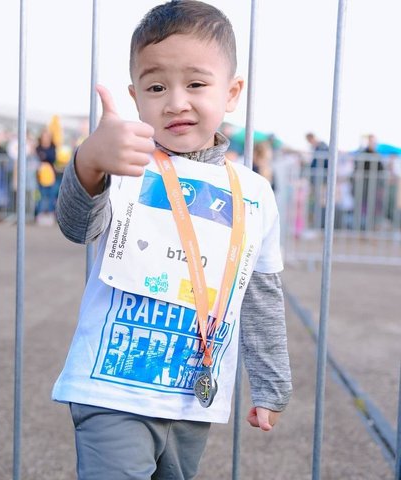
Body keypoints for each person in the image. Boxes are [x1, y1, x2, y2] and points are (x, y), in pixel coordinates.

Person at [52, 2, 292, 479]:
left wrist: (271, 385)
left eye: (196, 84)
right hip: (111, 390)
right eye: (156, 86)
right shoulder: (126, 165)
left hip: (192, 398)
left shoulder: (255, 192)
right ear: (135, 96)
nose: (176, 101)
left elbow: (261, 295)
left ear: (231, 92)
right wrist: (90, 161)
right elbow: (77, 225)